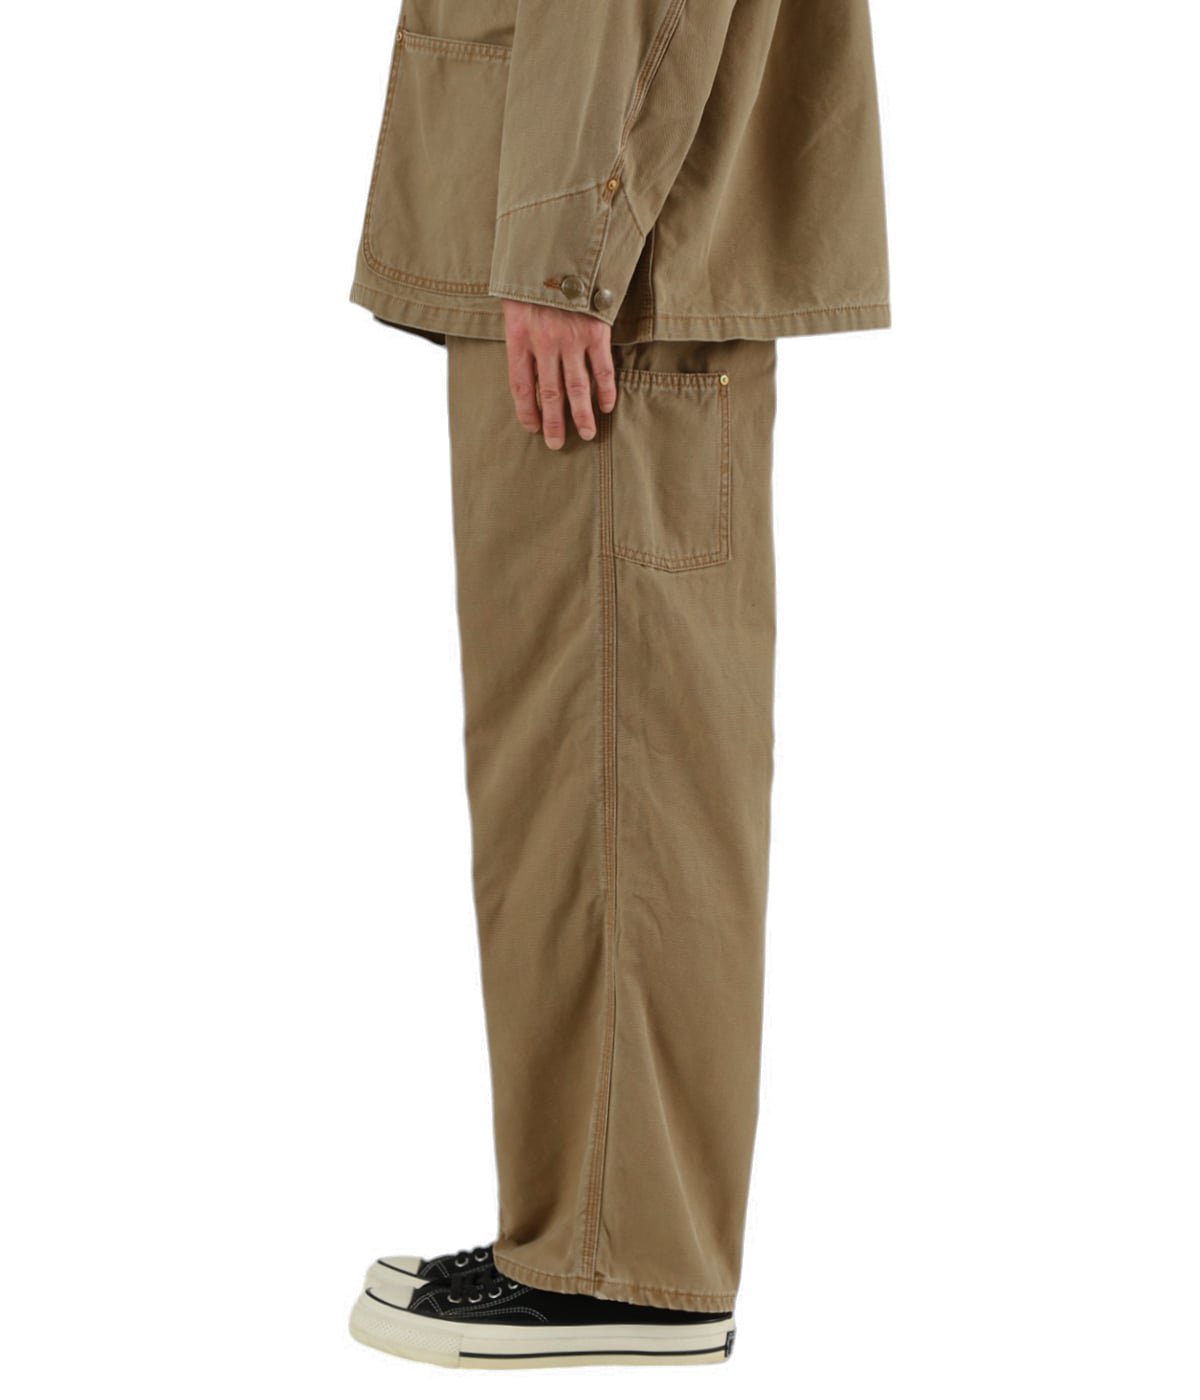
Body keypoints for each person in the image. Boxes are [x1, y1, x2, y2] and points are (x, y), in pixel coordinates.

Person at [346, 0, 889, 1370]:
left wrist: (565, 243)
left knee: (607, 753)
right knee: (585, 755)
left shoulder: (584, 247)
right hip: (617, 231)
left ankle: (621, 1266)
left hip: (614, 262)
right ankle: (588, 1229)